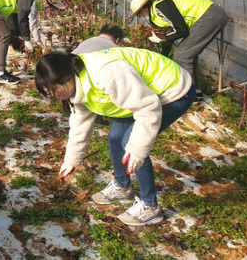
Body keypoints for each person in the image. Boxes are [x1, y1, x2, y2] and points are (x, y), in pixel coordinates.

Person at [34, 48, 195, 226]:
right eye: (50, 91)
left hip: (172, 89)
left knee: (131, 144)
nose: (56, 96)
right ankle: (122, 186)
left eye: (56, 89)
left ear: (67, 76)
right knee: (115, 137)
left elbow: (148, 107)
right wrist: (71, 160)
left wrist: (138, 149)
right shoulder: (75, 83)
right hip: (144, 95)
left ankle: (150, 206)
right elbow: (80, 123)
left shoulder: (106, 74)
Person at [126, 0, 228, 100]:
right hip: (207, 17)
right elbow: (168, 41)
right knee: (187, 54)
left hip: (209, 15)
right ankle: (196, 94)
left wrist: (161, 40)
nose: (141, 17)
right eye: (138, 16)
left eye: (140, 14)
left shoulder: (161, 7)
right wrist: (161, 59)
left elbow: (181, 30)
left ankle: (189, 96)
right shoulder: (156, 18)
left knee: (182, 55)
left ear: (145, 8)